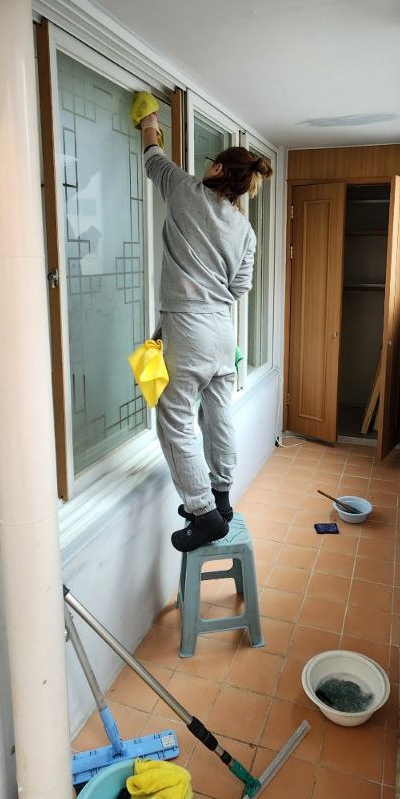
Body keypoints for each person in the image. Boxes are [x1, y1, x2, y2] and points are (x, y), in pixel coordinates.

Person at [139, 107, 273, 551]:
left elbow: (154, 159)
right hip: (222, 331)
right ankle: (221, 497)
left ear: (216, 170)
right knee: (218, 414)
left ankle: (203, 513)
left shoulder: (185, 191)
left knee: (175, 419)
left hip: (189, 328)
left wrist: (149, 124)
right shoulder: (245, 230)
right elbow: (241, 287)